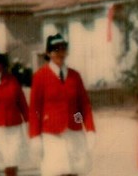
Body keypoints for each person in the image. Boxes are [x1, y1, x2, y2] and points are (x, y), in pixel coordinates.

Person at [29, 34, 97, 176]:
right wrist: (35, 136)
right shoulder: (40, 76)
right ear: (48, 53)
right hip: (52, 135)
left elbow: (82, 106)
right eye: (55, 50)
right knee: (57, 171)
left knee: (75, 171)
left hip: (74, 133)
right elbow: (35, 110)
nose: (59, 53)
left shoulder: (74, 76)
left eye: (62, 49)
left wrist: (87, 127)